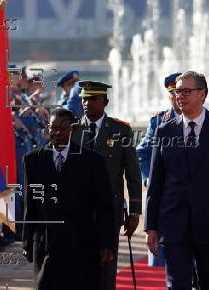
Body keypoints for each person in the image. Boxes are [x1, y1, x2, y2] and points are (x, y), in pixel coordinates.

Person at [145, 71, 209, 290]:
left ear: (203, 94)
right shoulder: (163, 131)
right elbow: (156, 183)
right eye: (178, 91)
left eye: (186, 91)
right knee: (177, 284)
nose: (180, 96)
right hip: (173, 225)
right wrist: (151, 227)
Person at [22, 108, 115, 290]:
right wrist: (27, 240)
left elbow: (104, 205)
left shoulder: (92, 161)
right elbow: (30, 203)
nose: (57, 133)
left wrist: (107, 243)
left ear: (73, 129)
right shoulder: (33, 159)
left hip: (81, 243)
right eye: (53, 128)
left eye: (62, 128)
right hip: (46, 242)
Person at [71, 81, 142, 290]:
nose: (87, 103)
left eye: (93, 99)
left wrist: (135, 211)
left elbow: (133, 173)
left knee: (106, 270)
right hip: (78, 212)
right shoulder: (72, 130)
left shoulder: (121, 130)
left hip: (110, 212)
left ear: (105, 102)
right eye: (84, 98)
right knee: (79, 269)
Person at [136, 72, 182, 268]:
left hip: (196, 199)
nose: (178, 98)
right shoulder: (158, 122)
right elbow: (143, 153)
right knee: (168, 261)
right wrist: (148, 178)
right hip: (165, 198)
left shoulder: (204, 120)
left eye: (182, 92)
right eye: (173, 93)